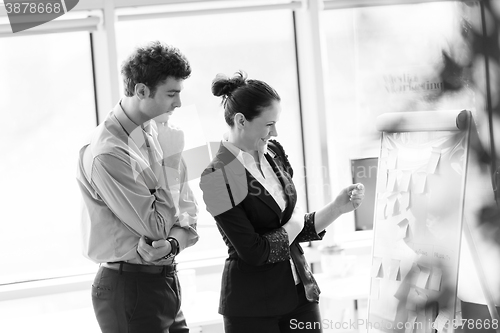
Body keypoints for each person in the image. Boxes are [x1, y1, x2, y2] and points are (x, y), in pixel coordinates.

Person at [199, 71, 365, 333]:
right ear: (241, 120)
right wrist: (296, 222)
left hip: (300, 294)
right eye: (268, 124)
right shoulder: (216, 176)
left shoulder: (274, 153)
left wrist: (336, 209)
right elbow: (255, 252)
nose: (275, 131)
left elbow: (291, 228)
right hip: (251, 309)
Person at [76, 41, 199, 333]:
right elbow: (156, 227)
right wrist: (171, 161)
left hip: (165, 281)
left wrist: (171, 245)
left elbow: (190, 215)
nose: (178, 104)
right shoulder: (108, 152)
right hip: (128, 289)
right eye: (172, 94)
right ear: (141, 91)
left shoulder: (159, 132)